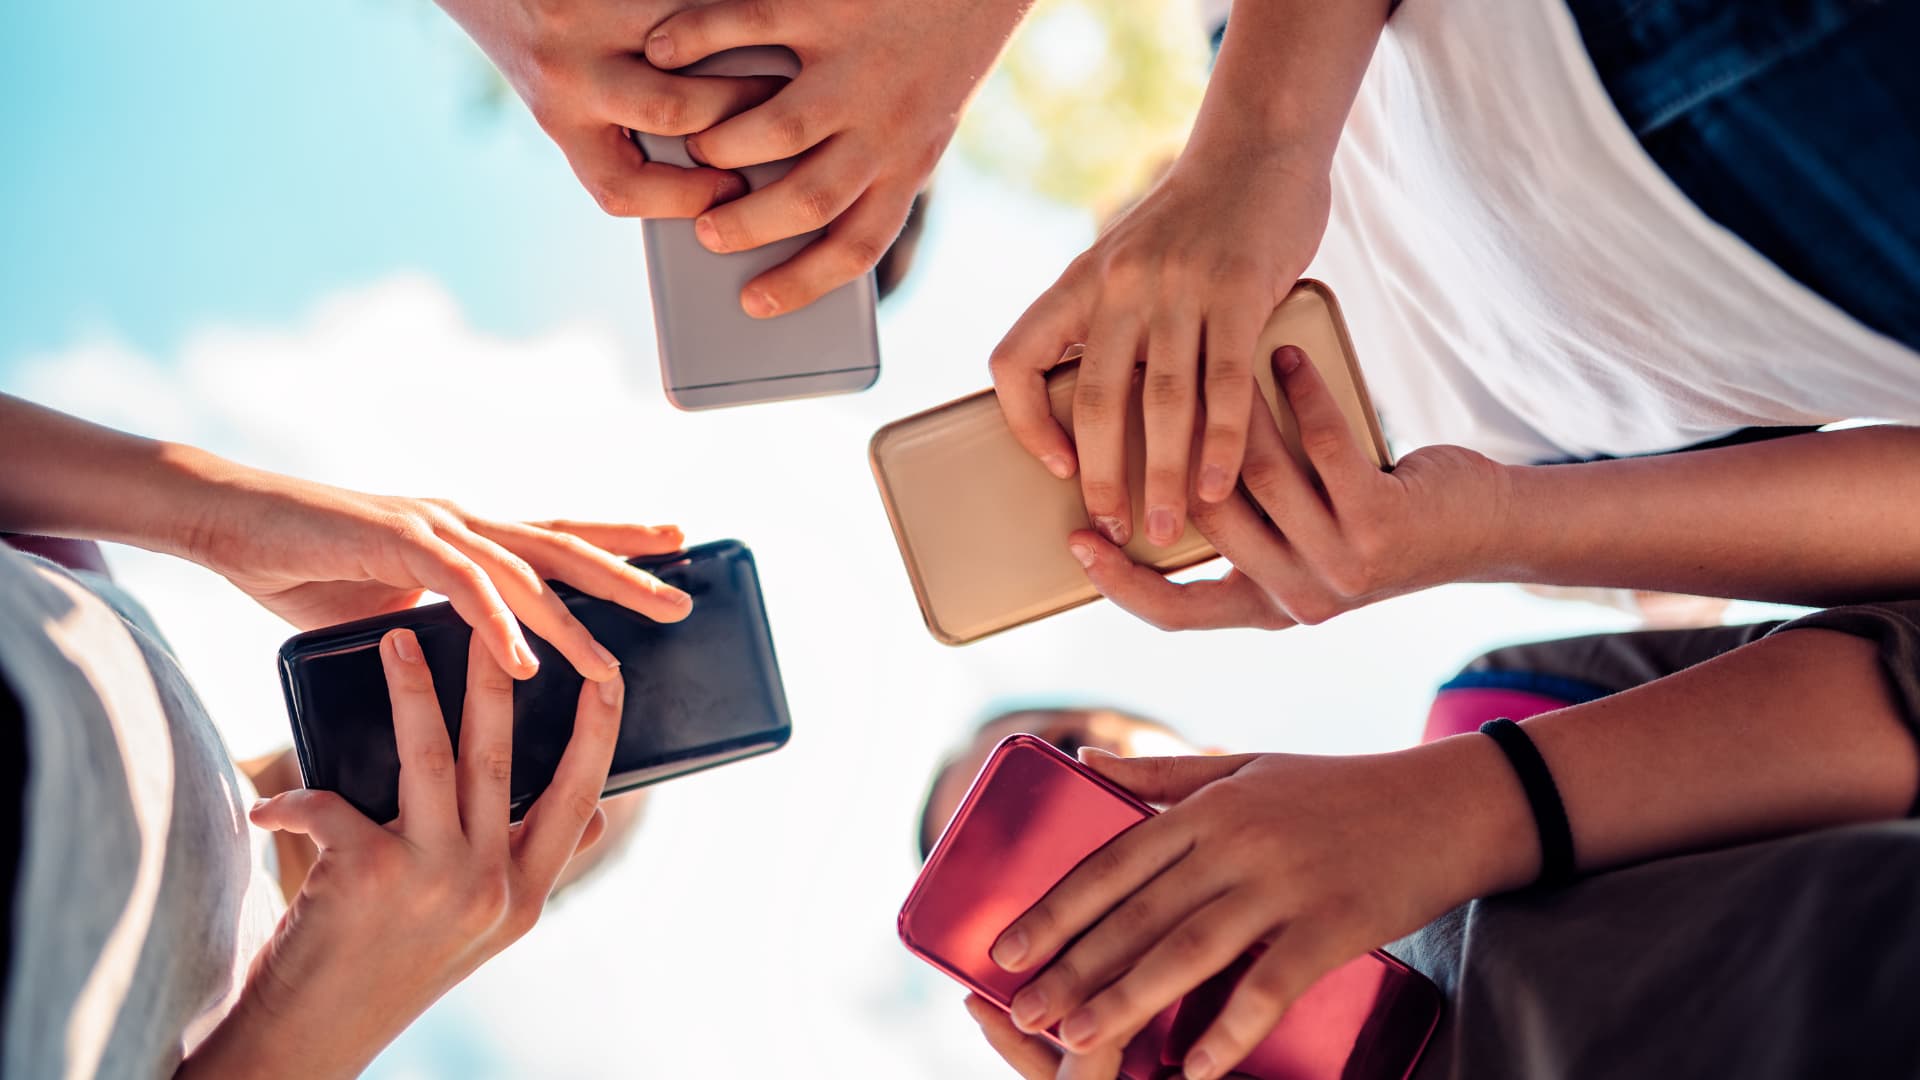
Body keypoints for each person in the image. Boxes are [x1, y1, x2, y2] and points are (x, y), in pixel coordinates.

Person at [0, 393, 684, 1077]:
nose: (490, 729)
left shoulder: (247, 1026)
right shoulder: (91, 582)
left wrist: (308, 1024)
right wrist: (214, 517)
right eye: (546, 699)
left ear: (498, 900)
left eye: (550, 786)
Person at [943, 618, 1920, 1079]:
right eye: (1017, 886)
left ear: (1179, 752)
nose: (1082, 872)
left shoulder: (1495, 707)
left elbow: (1901, 673)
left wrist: (1471, 806)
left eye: (1056, 776)